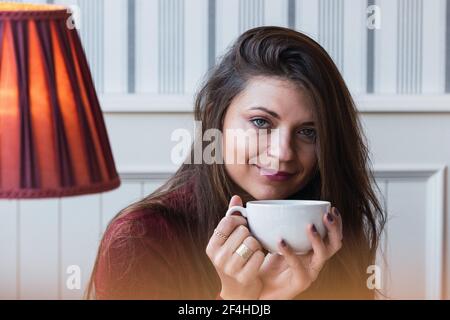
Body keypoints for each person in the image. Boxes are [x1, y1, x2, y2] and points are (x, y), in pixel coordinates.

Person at [86, 26, 385, 300]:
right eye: (261, 122)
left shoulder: (329, 230)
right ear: (217, 118)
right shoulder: (141, 239)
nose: (283, 152)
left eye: (309, 132)